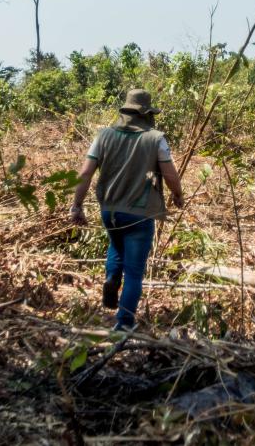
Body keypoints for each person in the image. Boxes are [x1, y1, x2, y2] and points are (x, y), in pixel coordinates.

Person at [70, 89, 184, 331]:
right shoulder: (156, 138)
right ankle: (123, 324)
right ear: (146, 114)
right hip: (140, 214)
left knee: (116, 244)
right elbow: (170, 174)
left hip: (109, 211)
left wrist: (76, 206)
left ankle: (112, 277)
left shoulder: (103, 136)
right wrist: (177, 194)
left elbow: (85, 173)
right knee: (134, 272)